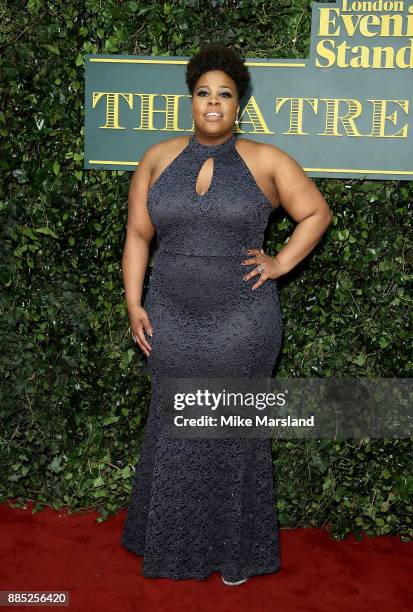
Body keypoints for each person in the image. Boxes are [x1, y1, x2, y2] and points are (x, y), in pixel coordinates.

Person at [121, 43, 333, 586]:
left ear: (238, 105)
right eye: (203, 93)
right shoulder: (157, 158)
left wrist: (280, 261)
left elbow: (315, 212)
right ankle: (166, 539)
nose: (213, 103)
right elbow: (138, 236)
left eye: (225, 94)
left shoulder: (265, 159)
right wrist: (132, 300)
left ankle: (235, 552)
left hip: (243, 323)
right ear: (190, 101)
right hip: (169, 316)